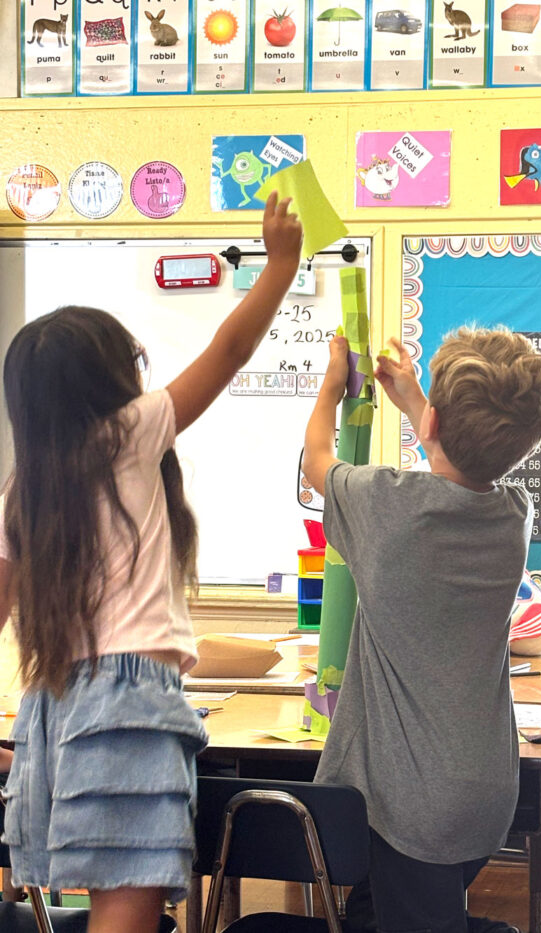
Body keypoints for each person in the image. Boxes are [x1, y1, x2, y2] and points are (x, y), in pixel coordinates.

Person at [0, 192, 302, 933]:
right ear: (108, 384)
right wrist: (280, 266)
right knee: (126, 912)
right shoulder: (127, 434)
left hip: (51, 708)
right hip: (127, 704)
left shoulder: (20, 488)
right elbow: (228, 353)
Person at [302, 328, 541, 933]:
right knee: (376, 914)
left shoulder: (384, 505)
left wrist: (331, 387)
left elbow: (317, 461)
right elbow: (465, 464)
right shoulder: (513, 514)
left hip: (413, 799)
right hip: (483, 787)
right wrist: (418, 400)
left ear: (436, 421)